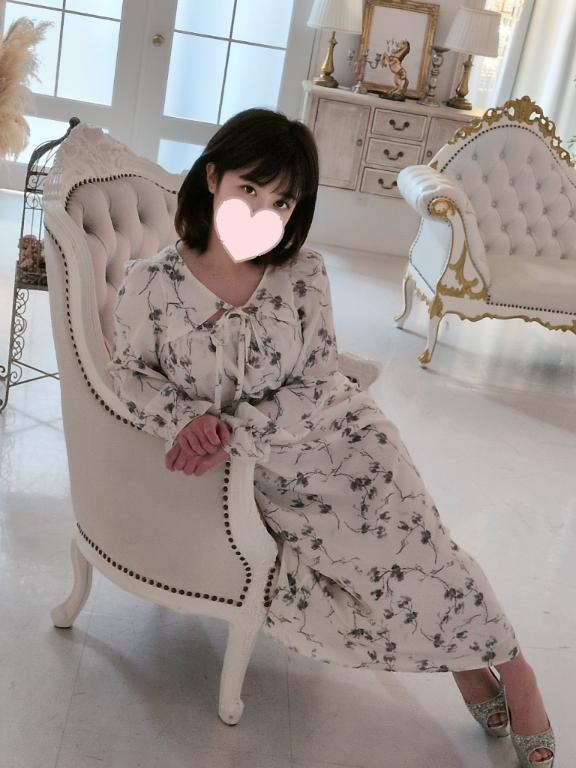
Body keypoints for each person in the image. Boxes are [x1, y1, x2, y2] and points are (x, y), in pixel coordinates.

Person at [106, 108, 555, 766]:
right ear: (212, 177)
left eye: (282, 200)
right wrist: (186, 419)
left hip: (347, 444)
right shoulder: (151, 284)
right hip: (256, 475)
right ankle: (466, 656)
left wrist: (231, 428)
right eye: (249, 188)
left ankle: (513, 670)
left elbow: (319, 381)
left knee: (424, 551)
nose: (263, 211)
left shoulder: (304, 274)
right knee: (362, 582)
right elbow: (127, 375)